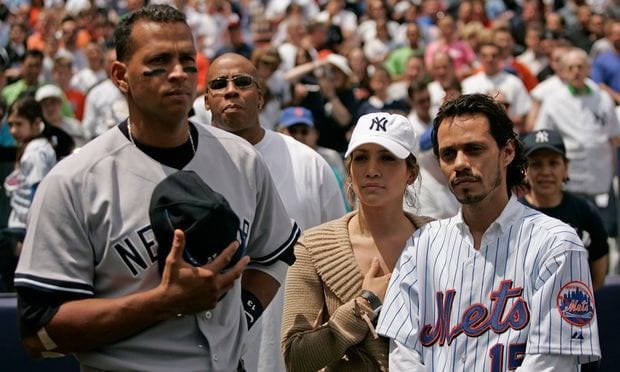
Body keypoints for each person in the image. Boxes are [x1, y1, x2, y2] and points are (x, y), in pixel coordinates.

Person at [13, 5, 300, 371]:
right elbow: (38, 331)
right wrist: (163, 302)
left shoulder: (240, 159)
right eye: (160, 61)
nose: (178, 73)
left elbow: (277, 251)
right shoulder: (75, 180)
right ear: (121, 75)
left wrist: (243, 314)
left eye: (187, 59)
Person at [377, 94, 601, 371]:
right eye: (448, 154)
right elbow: (401, 353)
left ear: (507, 152)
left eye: (474, 149)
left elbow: (553, 361)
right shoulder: (422, 243)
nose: (460, 163)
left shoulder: (557, 243)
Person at [205, 52, 346, 372]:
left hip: (290, 352)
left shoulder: (308, 164)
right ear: (206, 100)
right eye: (218, 84)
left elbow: (337, 264)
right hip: (208, 353)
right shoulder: (186, 170)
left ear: (260, 98)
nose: (230, 90)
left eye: (242, 82)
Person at [281, 112, 432, 371]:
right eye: (361, 158)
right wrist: (364, 304)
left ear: (412, 173)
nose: (372, 170)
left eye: (387, 158)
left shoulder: (441, 240)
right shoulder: (313, 248)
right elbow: (296, 358)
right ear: (349, 170)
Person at [519, 129, 608, 290]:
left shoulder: (585, 212)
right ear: (524, 169)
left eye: (553, 163)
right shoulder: (513, 215)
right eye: (536, 164)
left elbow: (598, 278)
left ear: (565, 167)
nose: (545, 172)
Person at [1, 96, 55, 291]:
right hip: (19, 227)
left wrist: (33, 235)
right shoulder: (29, 148)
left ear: (36, 123)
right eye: (10, 125)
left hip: (24, 230)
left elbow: (37, 192)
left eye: (19, 124)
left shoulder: (36, 153)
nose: (13, 130)